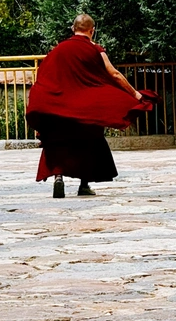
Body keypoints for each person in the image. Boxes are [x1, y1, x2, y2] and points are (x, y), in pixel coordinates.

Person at [26, 14, 156, 198]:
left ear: (73, 28)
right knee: (88, 144)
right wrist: (135, 94)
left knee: (58, 143)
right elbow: (114, 74)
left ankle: (58, 178)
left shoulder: (57, 51)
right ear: (92, 31)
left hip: (58, 107)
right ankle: (84, 185)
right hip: (86, 108)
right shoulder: (95, 49)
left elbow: (44, 78)